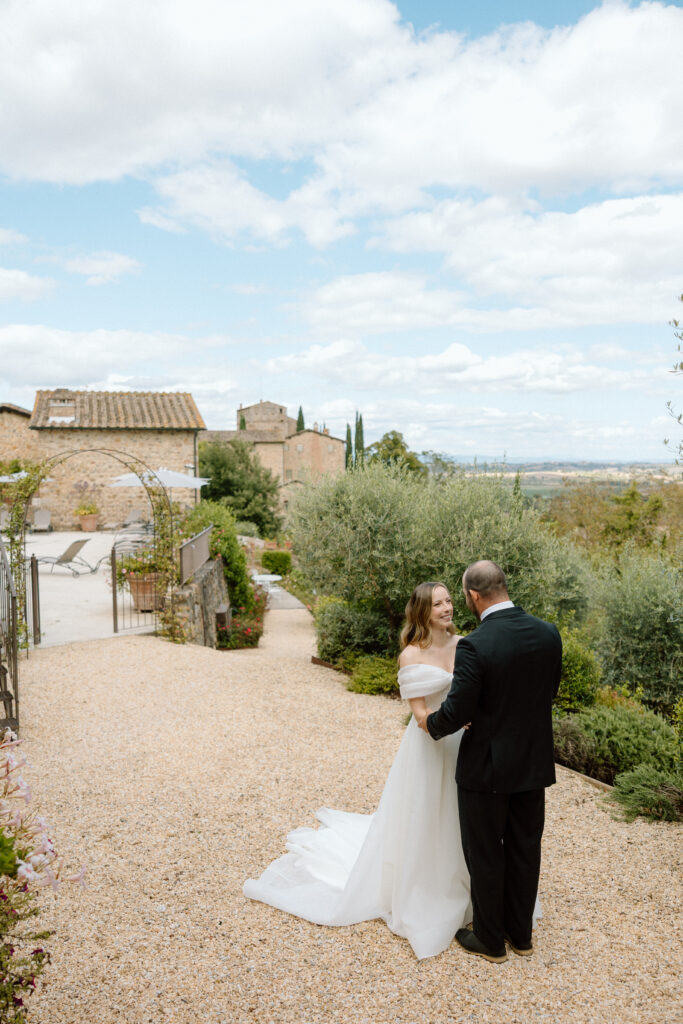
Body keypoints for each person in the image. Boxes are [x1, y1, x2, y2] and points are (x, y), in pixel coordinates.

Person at [242, 581, 473, 960]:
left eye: (449, 600)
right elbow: (419, 716)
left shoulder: (465, 645)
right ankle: (422, 887)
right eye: (438, 604)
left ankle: (464, 881)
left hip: (464, 744)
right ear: (422, 611)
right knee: (425, 812)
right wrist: (454, 722)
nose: (447, 608)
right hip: (430, 745)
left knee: (460, 813)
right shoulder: (411, 656)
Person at [418, 560, 562, 964]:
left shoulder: (475, 644)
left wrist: (430, 724)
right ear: (503, 585)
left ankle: (489, 939)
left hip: (487, 768)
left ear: (473, 596)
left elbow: (458, 707)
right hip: (533, 765)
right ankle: (521, 936)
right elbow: (545, 692)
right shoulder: (548, 633)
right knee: (524, 848)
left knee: (484, 851)